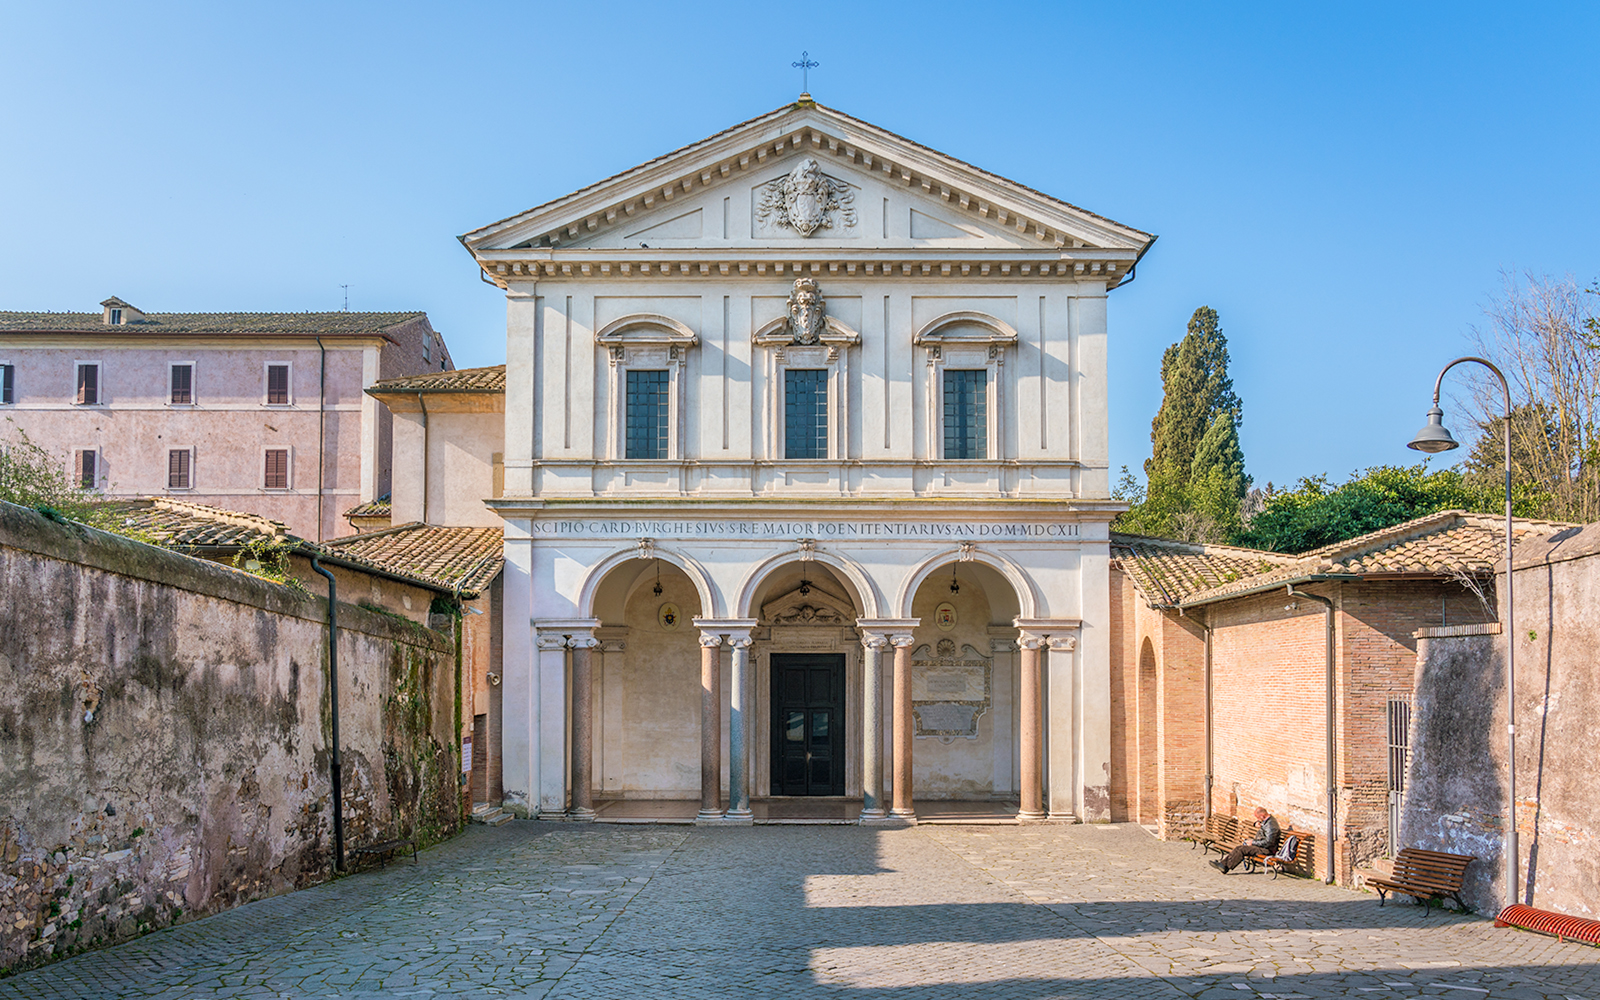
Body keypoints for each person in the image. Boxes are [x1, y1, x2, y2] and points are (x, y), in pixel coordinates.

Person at [1211, 807, 1280, 873]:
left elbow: (1268, 842)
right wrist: (1256, 823)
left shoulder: (1271, 826)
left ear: (1262, 816)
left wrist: (1253, 842)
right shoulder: (1267, 820)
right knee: (1239, 848)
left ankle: (1226, 867)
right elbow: (1263, 826)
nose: (1258, 820)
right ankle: (1223, 865)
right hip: (1261, 846)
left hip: (1267, 849)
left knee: (1242, 850)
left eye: (1258, 818)